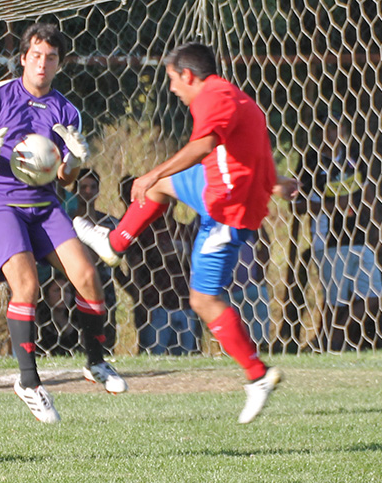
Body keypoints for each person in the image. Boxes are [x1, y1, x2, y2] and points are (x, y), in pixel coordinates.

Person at [74, 42, 299, 423]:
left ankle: (257, 375)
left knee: (203, 300)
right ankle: (114, 244)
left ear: (188, 75)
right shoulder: (236, 99)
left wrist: (151, 172)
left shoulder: (212, 96)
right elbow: (249, 151)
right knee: (163, 187)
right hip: (220, 186)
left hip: (225, 209)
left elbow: (203, 145)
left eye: (173, 79)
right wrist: (273, 181)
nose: (173, 88)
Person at [0, 23, 127, 424]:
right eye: (36, 55)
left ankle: (96, 362)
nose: (42, 63)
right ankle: (29, 382)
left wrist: (75, 161)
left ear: (59, 63)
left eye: (50, 57)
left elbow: (65, 178)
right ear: (23, 58)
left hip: (45, 204)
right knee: (27, 285)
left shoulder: (66, 110)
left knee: (88, 274)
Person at [294, 115, 382, 351]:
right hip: (329, 241)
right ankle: (330, 345)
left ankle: (332, 341)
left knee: (372, 295)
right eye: (326, 127)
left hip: (361, 237)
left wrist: (371, 216)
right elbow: (298, 206)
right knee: (335, 303)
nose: (332, 133)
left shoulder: (354, 155)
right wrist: (334, 206)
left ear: (343, 129)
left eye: (336, 127)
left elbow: (368, 190)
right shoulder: (310, 162)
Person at [114, 175, 200, 355]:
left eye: (171, 201)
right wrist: (139, 297)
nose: (167, 205)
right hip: (156, 307)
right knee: (154, 358)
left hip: (185, 305)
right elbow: (128, 267)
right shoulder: (145, 233)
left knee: (186, 360)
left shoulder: (184, 231)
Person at [73, 168, 118, 350]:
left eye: (92, 187)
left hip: (105, 285)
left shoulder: (110, 222)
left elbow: (119, 257)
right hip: (75, 284)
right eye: (83, 187)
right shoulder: (67, 221)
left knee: (106, 334)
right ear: (75, 189)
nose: (88, 191)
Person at [227, 226, 273, 347]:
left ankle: (258, 357)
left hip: (250, 286)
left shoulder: (246, 217)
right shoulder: (209, 216)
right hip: (222, 292)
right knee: (231, 342)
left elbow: (265, 244)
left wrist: (261, 275)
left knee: (258, 340)